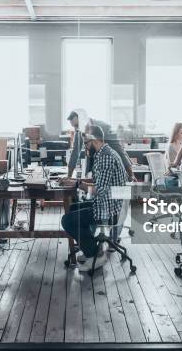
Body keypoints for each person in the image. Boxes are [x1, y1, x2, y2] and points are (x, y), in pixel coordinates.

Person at [60, 125, 128, 273]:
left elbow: (101, 191)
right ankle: (89, 247)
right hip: (111, 204)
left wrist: (78, 184)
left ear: (94, 140)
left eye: (86, 143)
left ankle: (96, 254)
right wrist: (74, 182)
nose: (85, 147)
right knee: (73, 208)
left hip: (109, 210)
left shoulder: (105, 157)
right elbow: (101, 183)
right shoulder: (105, 153)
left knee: (67, 220)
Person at [65, 109, 135, 181]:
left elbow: (119, 151)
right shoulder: (78, 131)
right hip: (94, 164)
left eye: (77, 125)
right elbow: (75, 153)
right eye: (74, 127)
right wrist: (69, 177)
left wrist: (131, 175)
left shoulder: (105, 127)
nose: (76, 129)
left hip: (107, 164)